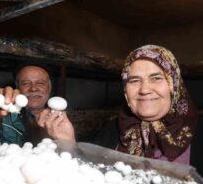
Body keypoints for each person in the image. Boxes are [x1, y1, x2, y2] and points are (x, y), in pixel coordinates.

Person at [40, 45, 202, 175]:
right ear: (125, 89)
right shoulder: (114, 128)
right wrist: (68, 143)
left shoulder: (199, 132)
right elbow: (90, 175)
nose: (144, 89)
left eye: (156, 78)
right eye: (134, 80)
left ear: (175, 85)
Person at [0, 64, 74, 146]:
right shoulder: (3, 114)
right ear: (18, 88)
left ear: (49, 88)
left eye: (40, 83)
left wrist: (68, 143)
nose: (33, 88)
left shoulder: (59, 121)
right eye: (26, 83)